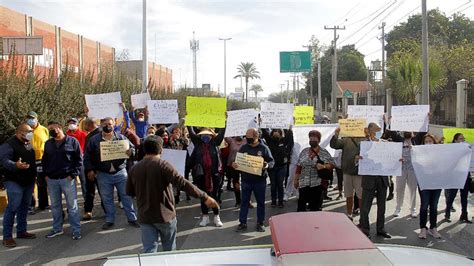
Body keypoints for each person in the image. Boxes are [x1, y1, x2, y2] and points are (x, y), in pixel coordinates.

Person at [126, 135, 219, 253]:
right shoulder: (163, 165)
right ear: (161, 149)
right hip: (165, 216)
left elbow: (129, 192)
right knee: (169, 251)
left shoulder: (134, 169)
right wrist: (204, 196)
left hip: (145, 217)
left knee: (149, 252)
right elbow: (183, 183)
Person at [84, 117, 139, 230]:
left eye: (110, 124)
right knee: (106, 198)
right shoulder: (94, 140)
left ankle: (132, 218)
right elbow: (87, 156)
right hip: (103, 174)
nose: (108, 126)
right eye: (105, 124)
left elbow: (133, 149)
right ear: (101, 125)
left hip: (120, 173)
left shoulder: (121, 138)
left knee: (126, 196)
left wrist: (131, 152)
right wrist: (89, 170)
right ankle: (110, 219)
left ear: (114, 125)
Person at [42, 121, 83, 240]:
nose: (51, 131)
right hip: (52, 180)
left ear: (59, 128)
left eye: (53, 128)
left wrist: (73, 175)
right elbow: (45, 160)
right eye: (49, 129)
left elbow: (79, 160)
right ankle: (57, 228)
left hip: (67, 179)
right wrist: (45, 175)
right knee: (55, 206)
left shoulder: (72, 141)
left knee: (72, 206)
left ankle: (76, 230)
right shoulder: (48, 144)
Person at [0, 123, 37, 248]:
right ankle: (7, 237)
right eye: (28, 131)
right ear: (20, 133)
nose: (31, 133)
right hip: (14, 181)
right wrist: (15, 165)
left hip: (28, 181)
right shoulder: (8, 145)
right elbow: (5, 160)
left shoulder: (27, 143)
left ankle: (21, 231)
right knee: (13, 207)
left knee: (24, 207)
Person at [234, 128, 274, 233]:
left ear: (256, 137)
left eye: (249, 138)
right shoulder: (243, 148)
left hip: (259, 181)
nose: (247, 139)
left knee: (260, 203)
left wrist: (267, 165)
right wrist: (235, 164)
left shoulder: (264, 148)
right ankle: (242, 222)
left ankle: (260, 223)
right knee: (244, 202)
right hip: (246, 180)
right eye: (246, 137)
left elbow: (272, 162)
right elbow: (238, 162)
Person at [358, 123, 391, 239]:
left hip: (382, 179)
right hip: (369, 179)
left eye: (380, 129)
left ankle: (381, 229)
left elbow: (391, 159)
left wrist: (398, 160)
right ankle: (365, 230)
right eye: (377, 129)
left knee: (382, 207)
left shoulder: (385, 144)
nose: (379, 131)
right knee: (365, 207)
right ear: (370, 130)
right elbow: (356, 159)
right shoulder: (364, 144)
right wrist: (358, 159)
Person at [187, 126, 226, 227]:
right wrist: (188, 121)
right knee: (203, 196)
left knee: (215, 195)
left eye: (207, 134)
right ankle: (205, 217)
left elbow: (222, 133)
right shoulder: (198, 144)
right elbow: (191, 132)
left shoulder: (215, 143)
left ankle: (217, 217)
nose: (205, 136)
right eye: (203, 134)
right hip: (201, 175)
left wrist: (225, 122)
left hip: (215, 175)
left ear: (211, 135)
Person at [294, 130, 335, 212]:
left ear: (319, 140)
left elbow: (332, 165)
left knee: (314, 209)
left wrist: (323, 166)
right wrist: (296, 180)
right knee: (301, 208)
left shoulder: (324, 152)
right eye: (311, 138)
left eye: (314, 138)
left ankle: (314, 224)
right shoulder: (304, 151)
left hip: (317, 184)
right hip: (303, 183)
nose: (312, 140)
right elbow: (299, 166)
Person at [330, 127, 364, 220]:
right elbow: (334, 145)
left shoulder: (364, 139)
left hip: (359, 173)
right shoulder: (345, 140)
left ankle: (362, 216)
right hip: (347, 172)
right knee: (349, 195)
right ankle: (349, 214)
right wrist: (336, 135)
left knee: (361, 196)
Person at [418, 134, 443, 239]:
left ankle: (433, 228)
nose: (428, 143)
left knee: (434, 206)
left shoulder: (440, 153)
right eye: (426, 141)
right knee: (424, 205)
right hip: (424, 183)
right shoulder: (419, 153)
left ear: (434, 142)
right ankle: (423, 228)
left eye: (430, 141)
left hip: (437, 183)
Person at [261, 128, 293, 208]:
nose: (276, 133)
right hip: (272, 167)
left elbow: (289, 136)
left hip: (282, 166)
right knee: (273, 185)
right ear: (272, 133)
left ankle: (281, 201)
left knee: (280, 184)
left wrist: (290, 126)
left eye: (278, 131)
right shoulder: (269, 140)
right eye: (274, 131)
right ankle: (273, 201)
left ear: (281, 133)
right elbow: (264, 131)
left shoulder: (283, 141)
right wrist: (262, 122)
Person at [444, 133, 472, 224]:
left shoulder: (468, 149)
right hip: (455, 176)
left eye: (464, 139)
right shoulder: (451, 150)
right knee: (451, 196)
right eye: (461, 139)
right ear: (455, 140)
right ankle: (447, 214)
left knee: (464, 197)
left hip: (465, 176)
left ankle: (464, 215)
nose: (463, 140)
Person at [26, 111, 49, 212]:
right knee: (29, 182)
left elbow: (47, 142)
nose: (30, 120)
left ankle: (43, 204)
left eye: (32, 118)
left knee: (41, 182)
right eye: (28, 118)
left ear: (37, 119)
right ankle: (31, 205)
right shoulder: (26, 130)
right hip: (29, 160)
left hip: (41, 159)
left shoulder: (44, 129)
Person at [81, 118, 104, 221]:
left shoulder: (95, 136)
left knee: (99, 191)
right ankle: (88, 210)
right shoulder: (94, 134)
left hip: (97, 169)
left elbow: (89, 155)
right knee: (92, 191)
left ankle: (89, 211)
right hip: (94, 168)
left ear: (88, 125)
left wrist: (91, 169)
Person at [66, 118, 88, 205]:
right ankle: (71, 201)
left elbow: (87, 147)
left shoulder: (83, 135)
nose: (71, 124)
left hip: (81, 161)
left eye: (73, 123)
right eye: (70, 123)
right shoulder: (65, 135)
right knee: (70, 182)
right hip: (69, 162)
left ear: (77, 124)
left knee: (84, 181)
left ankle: (86, 200)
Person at [225, 136, 246, 206]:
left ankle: (246, 200)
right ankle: (238, 200)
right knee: (236, 183)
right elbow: (224, 136)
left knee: (245, 183)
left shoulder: (246, 141)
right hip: (233, 166)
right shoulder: (231, 140)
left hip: (244, 165)